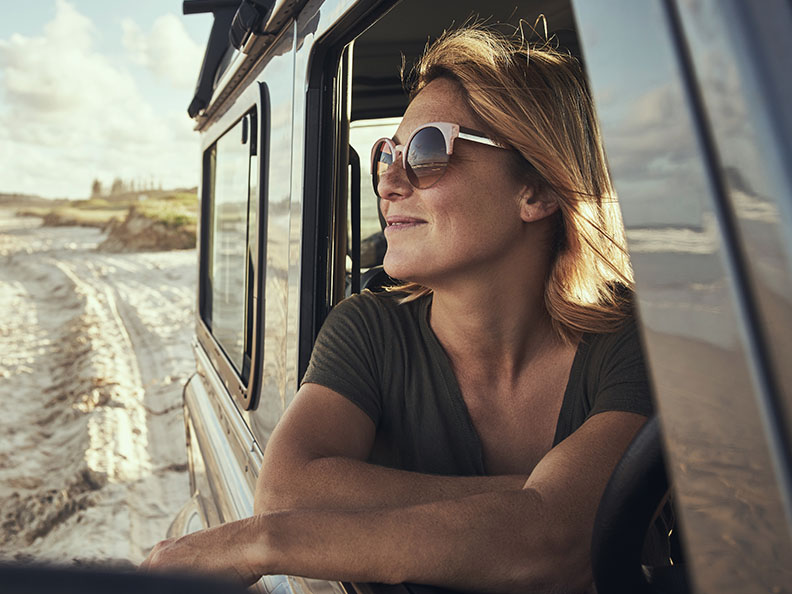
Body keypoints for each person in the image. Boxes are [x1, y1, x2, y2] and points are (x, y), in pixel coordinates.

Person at [142, 25, 653, 593]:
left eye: (428, 149)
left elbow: (554, 542)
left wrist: (265, 541)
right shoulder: (369, 329)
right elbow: (286, 494)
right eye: (386, 153)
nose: (388, 180)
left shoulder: (633, 339)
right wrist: (536, 497)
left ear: (536, 189)